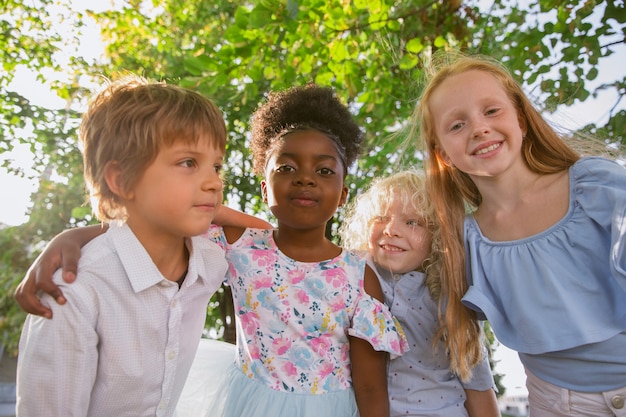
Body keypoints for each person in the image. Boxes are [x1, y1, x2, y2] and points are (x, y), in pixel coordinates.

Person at [14, 84, 409, 417]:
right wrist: (72, 237)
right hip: (252, 402)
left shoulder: (355, 274)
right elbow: (147, 224)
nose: (305, 179)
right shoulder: (237, 248)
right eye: (286, 168)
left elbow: (373, 389)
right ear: (263, 187)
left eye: (323, 171)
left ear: (343, 194)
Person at [15, 75, 269, 417]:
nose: (213, 182)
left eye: (216, 166)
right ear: (121, 179)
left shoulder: (209, 258)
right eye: (188, 163)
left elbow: (268, 237)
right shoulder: (74, 294)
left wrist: (212, 209)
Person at [414, 52, 626, 417]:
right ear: (443, 155)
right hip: (558, 402)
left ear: (522, 120)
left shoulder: (596, 186)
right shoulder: (465, 242)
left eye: (491, 111)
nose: (479, 128)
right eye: (457, 125)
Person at [339, 170, 499, 417]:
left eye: (413, 222)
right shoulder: (349, 274)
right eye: (380, 217)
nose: (391, 230)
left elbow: (477, 385)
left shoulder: (449, 297)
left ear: (439, 234)